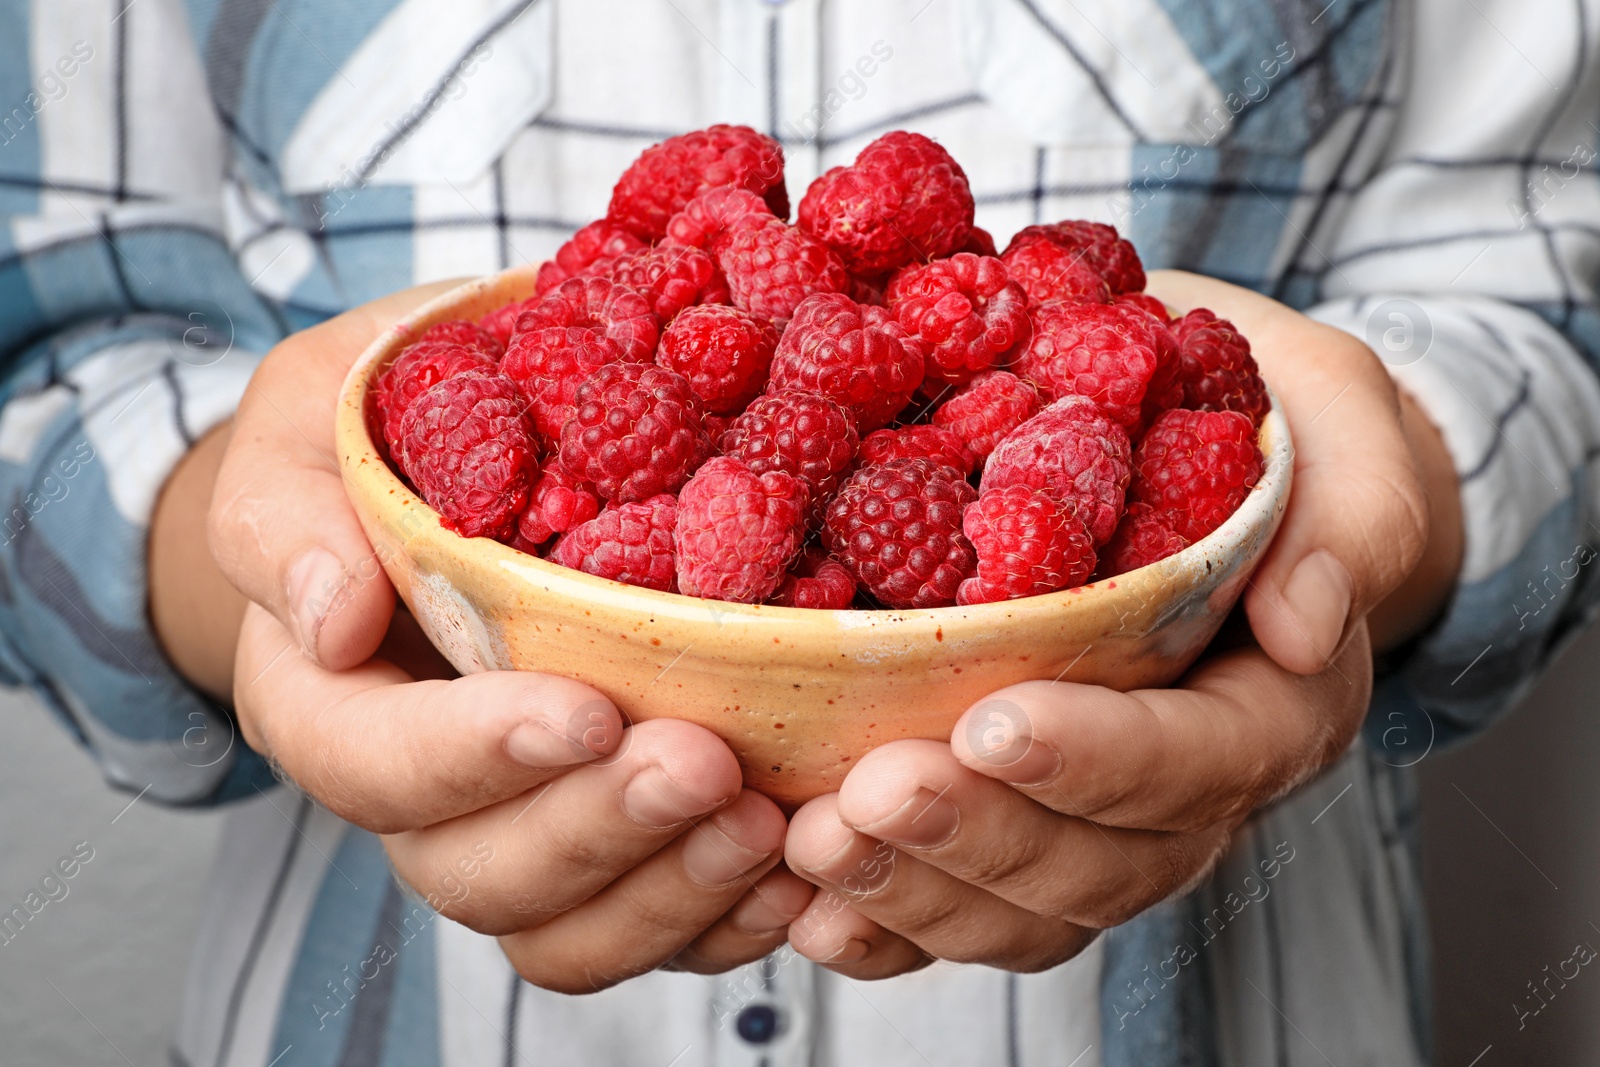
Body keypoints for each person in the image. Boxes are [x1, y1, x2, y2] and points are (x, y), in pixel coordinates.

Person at [0, 0, 1594, 1063]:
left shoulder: (930, 394)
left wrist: (1376, 512)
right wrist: (278, 568)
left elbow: (1548, 299)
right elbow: (46, 359)